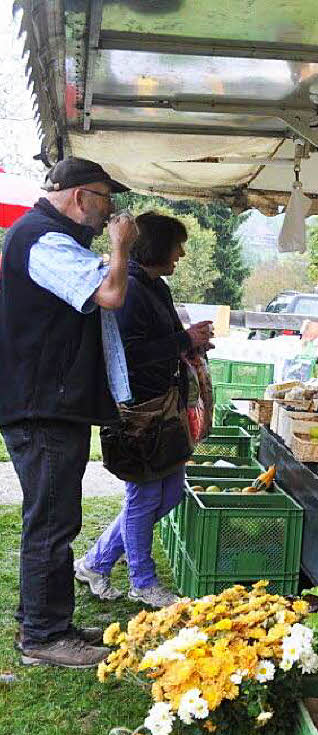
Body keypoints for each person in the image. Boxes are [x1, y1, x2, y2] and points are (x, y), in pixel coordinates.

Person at [0, 157, 137, 668]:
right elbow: (111, 294)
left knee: (58, 517)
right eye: (106, 201)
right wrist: (120, 249)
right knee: (52, 522)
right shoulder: (43, 238)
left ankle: (53, 623)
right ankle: (41, 636)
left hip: (52, 404)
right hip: (43, 407)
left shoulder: (50, 238)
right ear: (82, 197)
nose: (110, 213)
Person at [75, 213, 215, 609]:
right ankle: (143, 581)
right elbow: (128, 354)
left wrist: (190, 343)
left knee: (169, 493)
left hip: (164, 407)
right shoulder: (131, 289)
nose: (182, 254)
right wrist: (182, 339)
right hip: (137, 412)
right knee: (144, 495)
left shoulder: (155, 286)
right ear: (156, 246)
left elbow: (164, 339)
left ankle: (96, 562)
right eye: (177, 245)